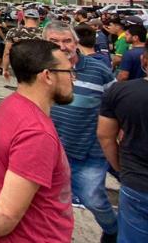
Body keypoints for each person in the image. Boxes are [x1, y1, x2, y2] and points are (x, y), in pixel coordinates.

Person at [0, 39, 74, 243]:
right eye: (68, 72)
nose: (73, 78)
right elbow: (7, 213)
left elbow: (3, 170)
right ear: (47, 76)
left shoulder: (10, 106)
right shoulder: (36, 133)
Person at [44, 21, 118, 242]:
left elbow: (116, 105)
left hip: (89, 153)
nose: (62, 46)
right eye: (54, 41)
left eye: (67, 40)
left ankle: (114, 230)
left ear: (76, 43)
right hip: (52, 152)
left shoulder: (99, 71)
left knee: (93, 199)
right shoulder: (41, 71)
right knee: (49, 203)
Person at [98, 46, 148, 242]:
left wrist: (120, 168)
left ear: (144, 61)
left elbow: (105, 136)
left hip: (136, 181)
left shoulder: (120, 91)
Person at [1, 8, 42, 81]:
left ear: (24, 18)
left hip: (20, 67)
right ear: (38, 19)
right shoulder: (44, 32)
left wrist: (5, 69)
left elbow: (7, 53)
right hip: (39, 68)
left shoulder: (13, 32)